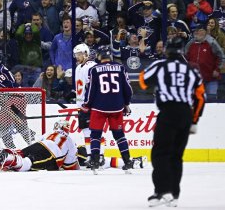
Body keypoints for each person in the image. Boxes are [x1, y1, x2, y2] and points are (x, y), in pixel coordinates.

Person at [139, 37, 206, 207]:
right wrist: (194, 120)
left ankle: (162, 191)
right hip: (185, 113)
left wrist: (160, 85)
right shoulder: (191, 70)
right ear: (182, 51)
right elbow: (200, 97)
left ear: (167, 50)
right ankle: (174, 194)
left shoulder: (160, 65)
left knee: (160, 153)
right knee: (177, 156)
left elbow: (143, 81)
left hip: (168, 112)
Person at [82, 45, 133, 174]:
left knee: (95, 135)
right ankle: (127, 162)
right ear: (110, 56)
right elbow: (128, 89)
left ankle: (94, 161)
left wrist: (86, 105)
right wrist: (126, 104)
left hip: (99, 107)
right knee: (119, 135)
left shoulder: (94, 69)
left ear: (99, 56)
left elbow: (91, 90)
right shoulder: (121, 68)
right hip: (117, 107)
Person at [0, 50, 35, 149]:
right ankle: (31, 139)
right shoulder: (0, 69)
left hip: (14, 98)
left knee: (3, 124)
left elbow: (3, 86)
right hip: (17, 98)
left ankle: (13, 149)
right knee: (19, 123)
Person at [0, 120, 78, 172]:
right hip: (52, 152)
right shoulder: (70, 140)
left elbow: (37, 143)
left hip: (39, 144)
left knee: (20, 153)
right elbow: (70, 165)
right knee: (28, 163)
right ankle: (9, 158)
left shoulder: (50, 133)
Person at [73, 43, 98, 165]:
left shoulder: (92, 66)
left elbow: (93, 86)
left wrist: (89, 103)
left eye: (79, 54)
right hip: (81, 106)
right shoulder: (78, 68)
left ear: (86, 54)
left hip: (90, 105)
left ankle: (98, 155)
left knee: (95, 131)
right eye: (76, 55)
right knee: (86, 131)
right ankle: (90, 156)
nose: (77, 57)